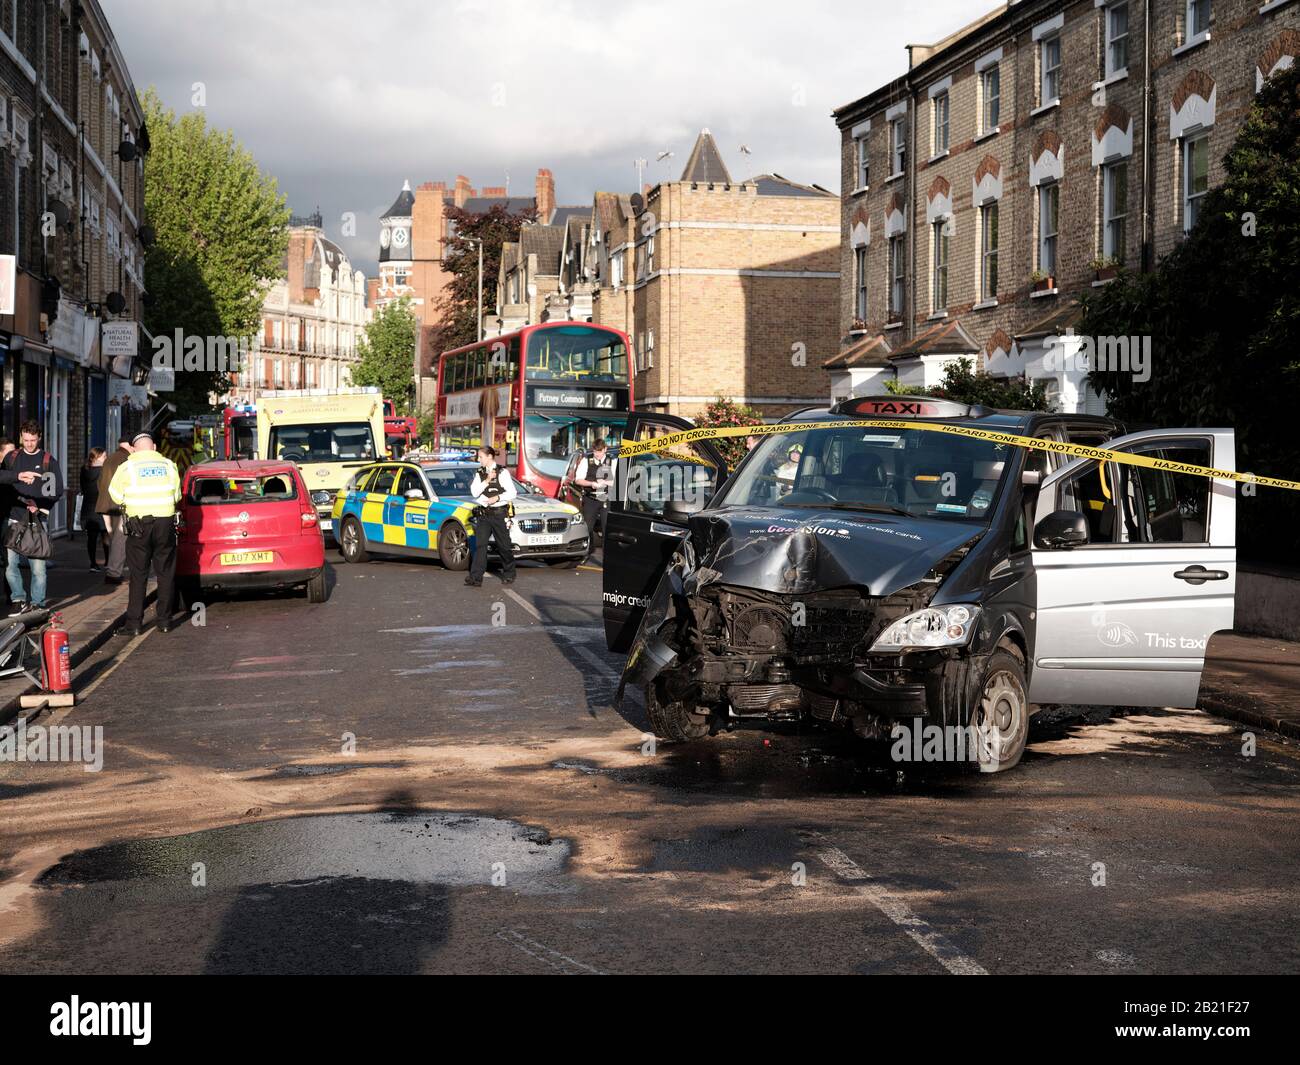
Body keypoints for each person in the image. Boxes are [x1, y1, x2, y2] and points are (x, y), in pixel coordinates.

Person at [108, 431, 182, 635]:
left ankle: (134, 624)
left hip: (138, 525)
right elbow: (177, 494)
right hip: (164, 524)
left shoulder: (127, 467)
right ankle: (165, 621)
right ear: (155, 448)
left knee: (138, 575)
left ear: (133, 449)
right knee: (165, 573)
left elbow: (115, 495)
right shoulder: (169, 465)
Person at [3, 422, 65, 615]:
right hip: (13, 518)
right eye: (26, 440)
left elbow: (55, 490)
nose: (29, 444)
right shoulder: (12, 457)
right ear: (21, 437)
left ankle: (37, 603)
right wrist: (17, 476)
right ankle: (18, 599)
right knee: (10, 565)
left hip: (36, 521)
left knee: (38, 568)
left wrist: (40, 506)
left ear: (39, 438)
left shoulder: (47, 461)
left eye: (33, 440)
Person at [465, 445, 517, 587]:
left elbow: (513, 493)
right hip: (484, 515)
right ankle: (476, 577)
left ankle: (509, 573)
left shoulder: (502, 472)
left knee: (504, 546)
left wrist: (497, 498)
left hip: (499, 514)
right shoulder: (480, 472)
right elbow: (474, 492)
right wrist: (487, 480)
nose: (478, 459)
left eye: (480, 457)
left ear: (489, 457)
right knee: (480, 545)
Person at [97, 436, 134, 585]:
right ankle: (114, 572)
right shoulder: (126, 460)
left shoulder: (111, 458)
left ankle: (113, 569)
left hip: (106, 504)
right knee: (120, 539)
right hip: (119, 505)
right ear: (130, 446)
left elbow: (100, 482)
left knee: (114, 538)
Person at [573, 438, 614, 561]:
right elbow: (578, 480)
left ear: (605, 449)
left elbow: (619, 480)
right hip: (591, 498)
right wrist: (592, 484)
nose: (597, 454)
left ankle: (608, 558)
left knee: (607, 528)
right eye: (595, 451)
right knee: (588, 528)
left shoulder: (613, 460)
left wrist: (606, 482)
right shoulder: (586, 460)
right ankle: (587, 553)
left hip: (606, 498)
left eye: (600, 451)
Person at [80, 448, 110, 570]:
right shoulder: (105, 471)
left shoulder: (84, 470)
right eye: (104, 457)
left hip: (88, 507)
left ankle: (93, 564)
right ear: (96, 458)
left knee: (91, 538)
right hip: (102, 506)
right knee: (106, 536)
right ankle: (108, 562)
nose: (106, 458)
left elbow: (82, 488)